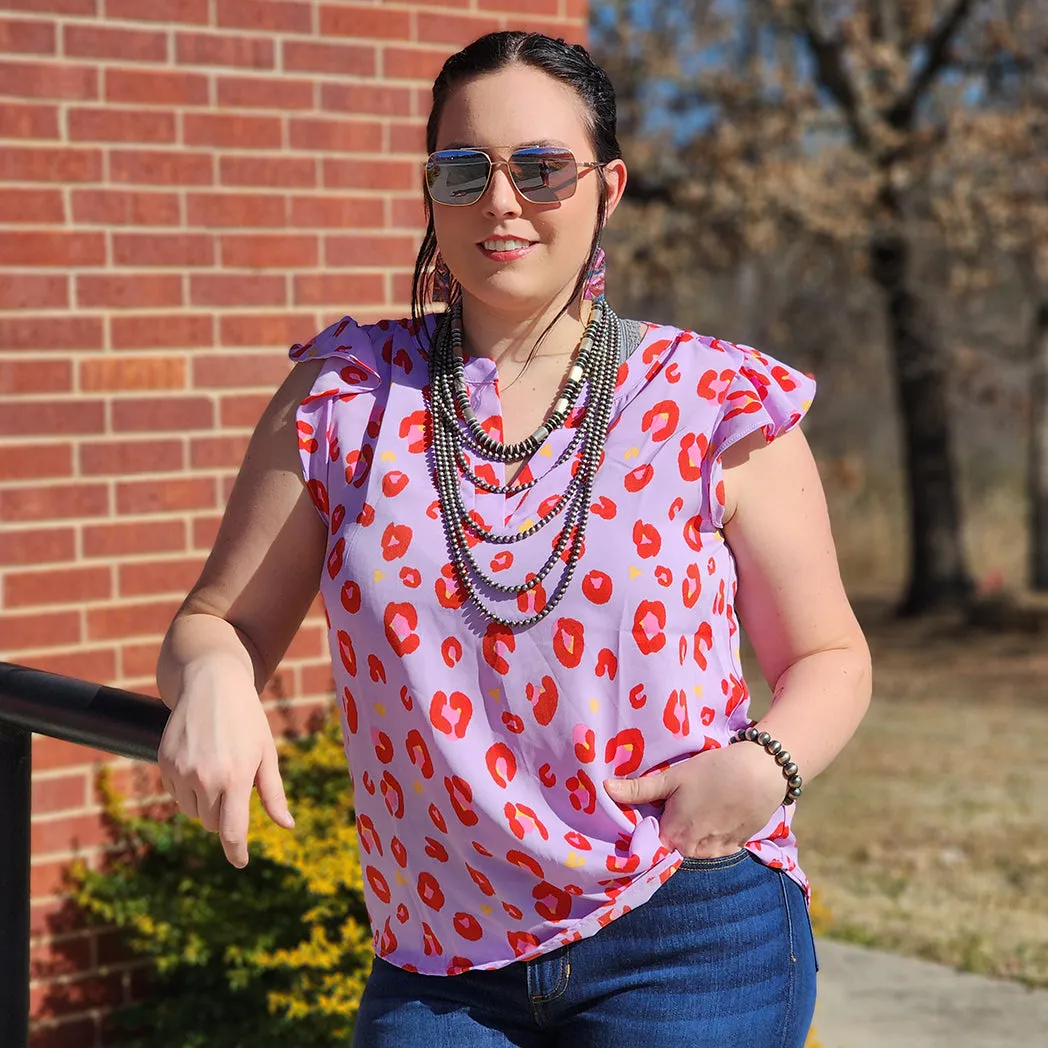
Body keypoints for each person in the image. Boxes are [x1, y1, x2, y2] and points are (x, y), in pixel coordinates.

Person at [156, 30, 871, 1048]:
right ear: (430, 191)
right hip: (438, 964)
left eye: (540, 169)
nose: (500, 201)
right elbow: (212, 622)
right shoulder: (345, 396)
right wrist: (218, 676)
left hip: (688, 931)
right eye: (464, 169)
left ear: (606, 186)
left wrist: (763, 770)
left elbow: (831, 655)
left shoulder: (713, 397)